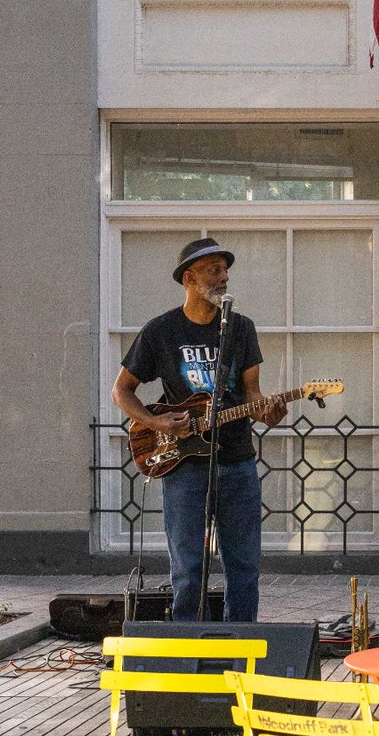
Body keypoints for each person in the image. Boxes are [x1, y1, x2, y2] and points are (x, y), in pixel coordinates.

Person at [113, 237, 286, 622]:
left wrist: (269, 413)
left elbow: (252, 396)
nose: (224, 277)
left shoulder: (242, 329)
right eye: (214, 270)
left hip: (238, 461)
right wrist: (157, 422)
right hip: (185, 465)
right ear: (189, 278)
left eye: (226, 270)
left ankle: (239, 653)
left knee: (244, 569)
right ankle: (185, 653)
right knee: (188, 570)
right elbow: (121, 390)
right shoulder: (161, 331)